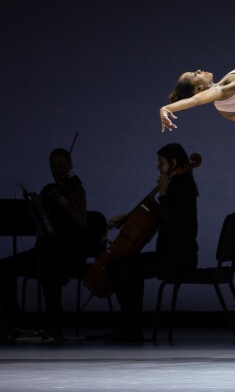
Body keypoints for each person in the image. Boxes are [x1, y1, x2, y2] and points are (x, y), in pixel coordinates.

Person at [95, 143, 200, 342]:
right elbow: (157, 217)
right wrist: (127, 217)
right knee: (125, 266)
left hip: (178, 259)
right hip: (172, 256)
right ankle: (131, 326)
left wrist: (163, 194)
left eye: (161, 162)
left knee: (123, 267)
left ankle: (131, 327)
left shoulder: (182, 187)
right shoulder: (178, 185)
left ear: (174, 162)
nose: (158, 167)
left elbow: (170, 219)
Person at [0, 148, 88, 341]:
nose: (58, 170)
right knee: (4, 267)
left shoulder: (77, 190)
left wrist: (68, 206)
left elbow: (82, 222)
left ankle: (55, 323)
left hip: (67, 252)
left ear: (70, 166)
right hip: (44, 249)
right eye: (54, 166)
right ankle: (12, 323)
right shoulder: (48, 190)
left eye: (62, 165)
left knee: (50, 269)